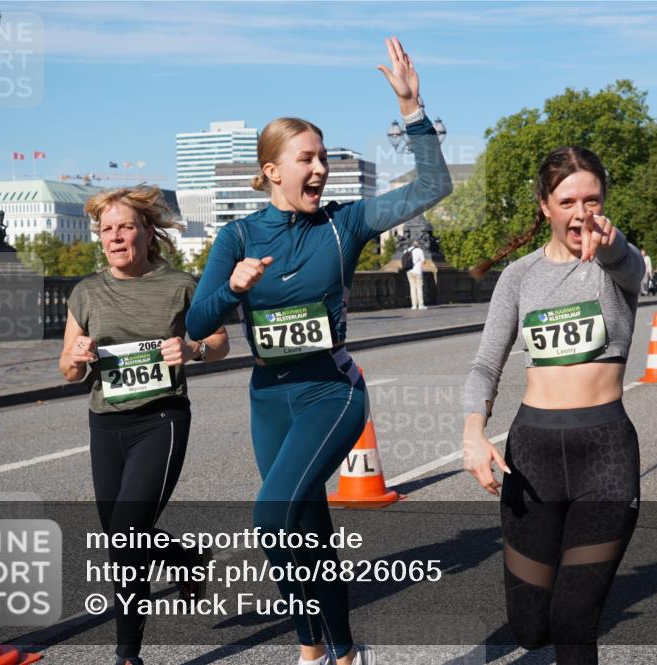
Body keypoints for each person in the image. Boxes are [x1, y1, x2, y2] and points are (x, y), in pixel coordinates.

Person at [185, 37, 451, 665]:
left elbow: (432, 185)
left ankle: (326, 648)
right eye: (307, 158)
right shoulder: (238, 235)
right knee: (307, 536)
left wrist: (413, 109)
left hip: (332, 393)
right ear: (273, 169)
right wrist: (233, 286)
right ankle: (328, 650)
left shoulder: (344, 223)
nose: (321, 169)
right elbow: (197, 321)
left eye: (324, 158)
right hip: (269, 398)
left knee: (270, 521)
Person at [462, 146, 645, 665]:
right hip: (533, 456)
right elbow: (485, 365)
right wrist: (474, 433)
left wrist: (610, 247)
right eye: (568, 201)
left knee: (574, 620)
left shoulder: (619, 264)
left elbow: (626, 262)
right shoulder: (519, 277)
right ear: (545, 205)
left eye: (592, 199)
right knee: (530, 627)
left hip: (604, 455)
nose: (581, 212)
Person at [59, 186, 230, 665]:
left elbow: (220, 342)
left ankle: (127, 654)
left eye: (125, 227)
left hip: (161, 419)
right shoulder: (86, 292)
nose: (115, 237)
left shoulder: (179, 286)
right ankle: (187, 560)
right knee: (120, 537)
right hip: (106, 421)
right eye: (107, 229)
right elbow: (69, 370)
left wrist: (193, 350)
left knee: (128, 533)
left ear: (146, 232)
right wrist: (76, 357)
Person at [406, 239, 427, 309]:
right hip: (417, 271)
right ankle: (421, 305)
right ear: (418, 245)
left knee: (412, 288)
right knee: (419, 288)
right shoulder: (419, 250)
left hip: (409, 271)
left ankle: (414, 305)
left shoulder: (407, 250)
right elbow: (423, 261)